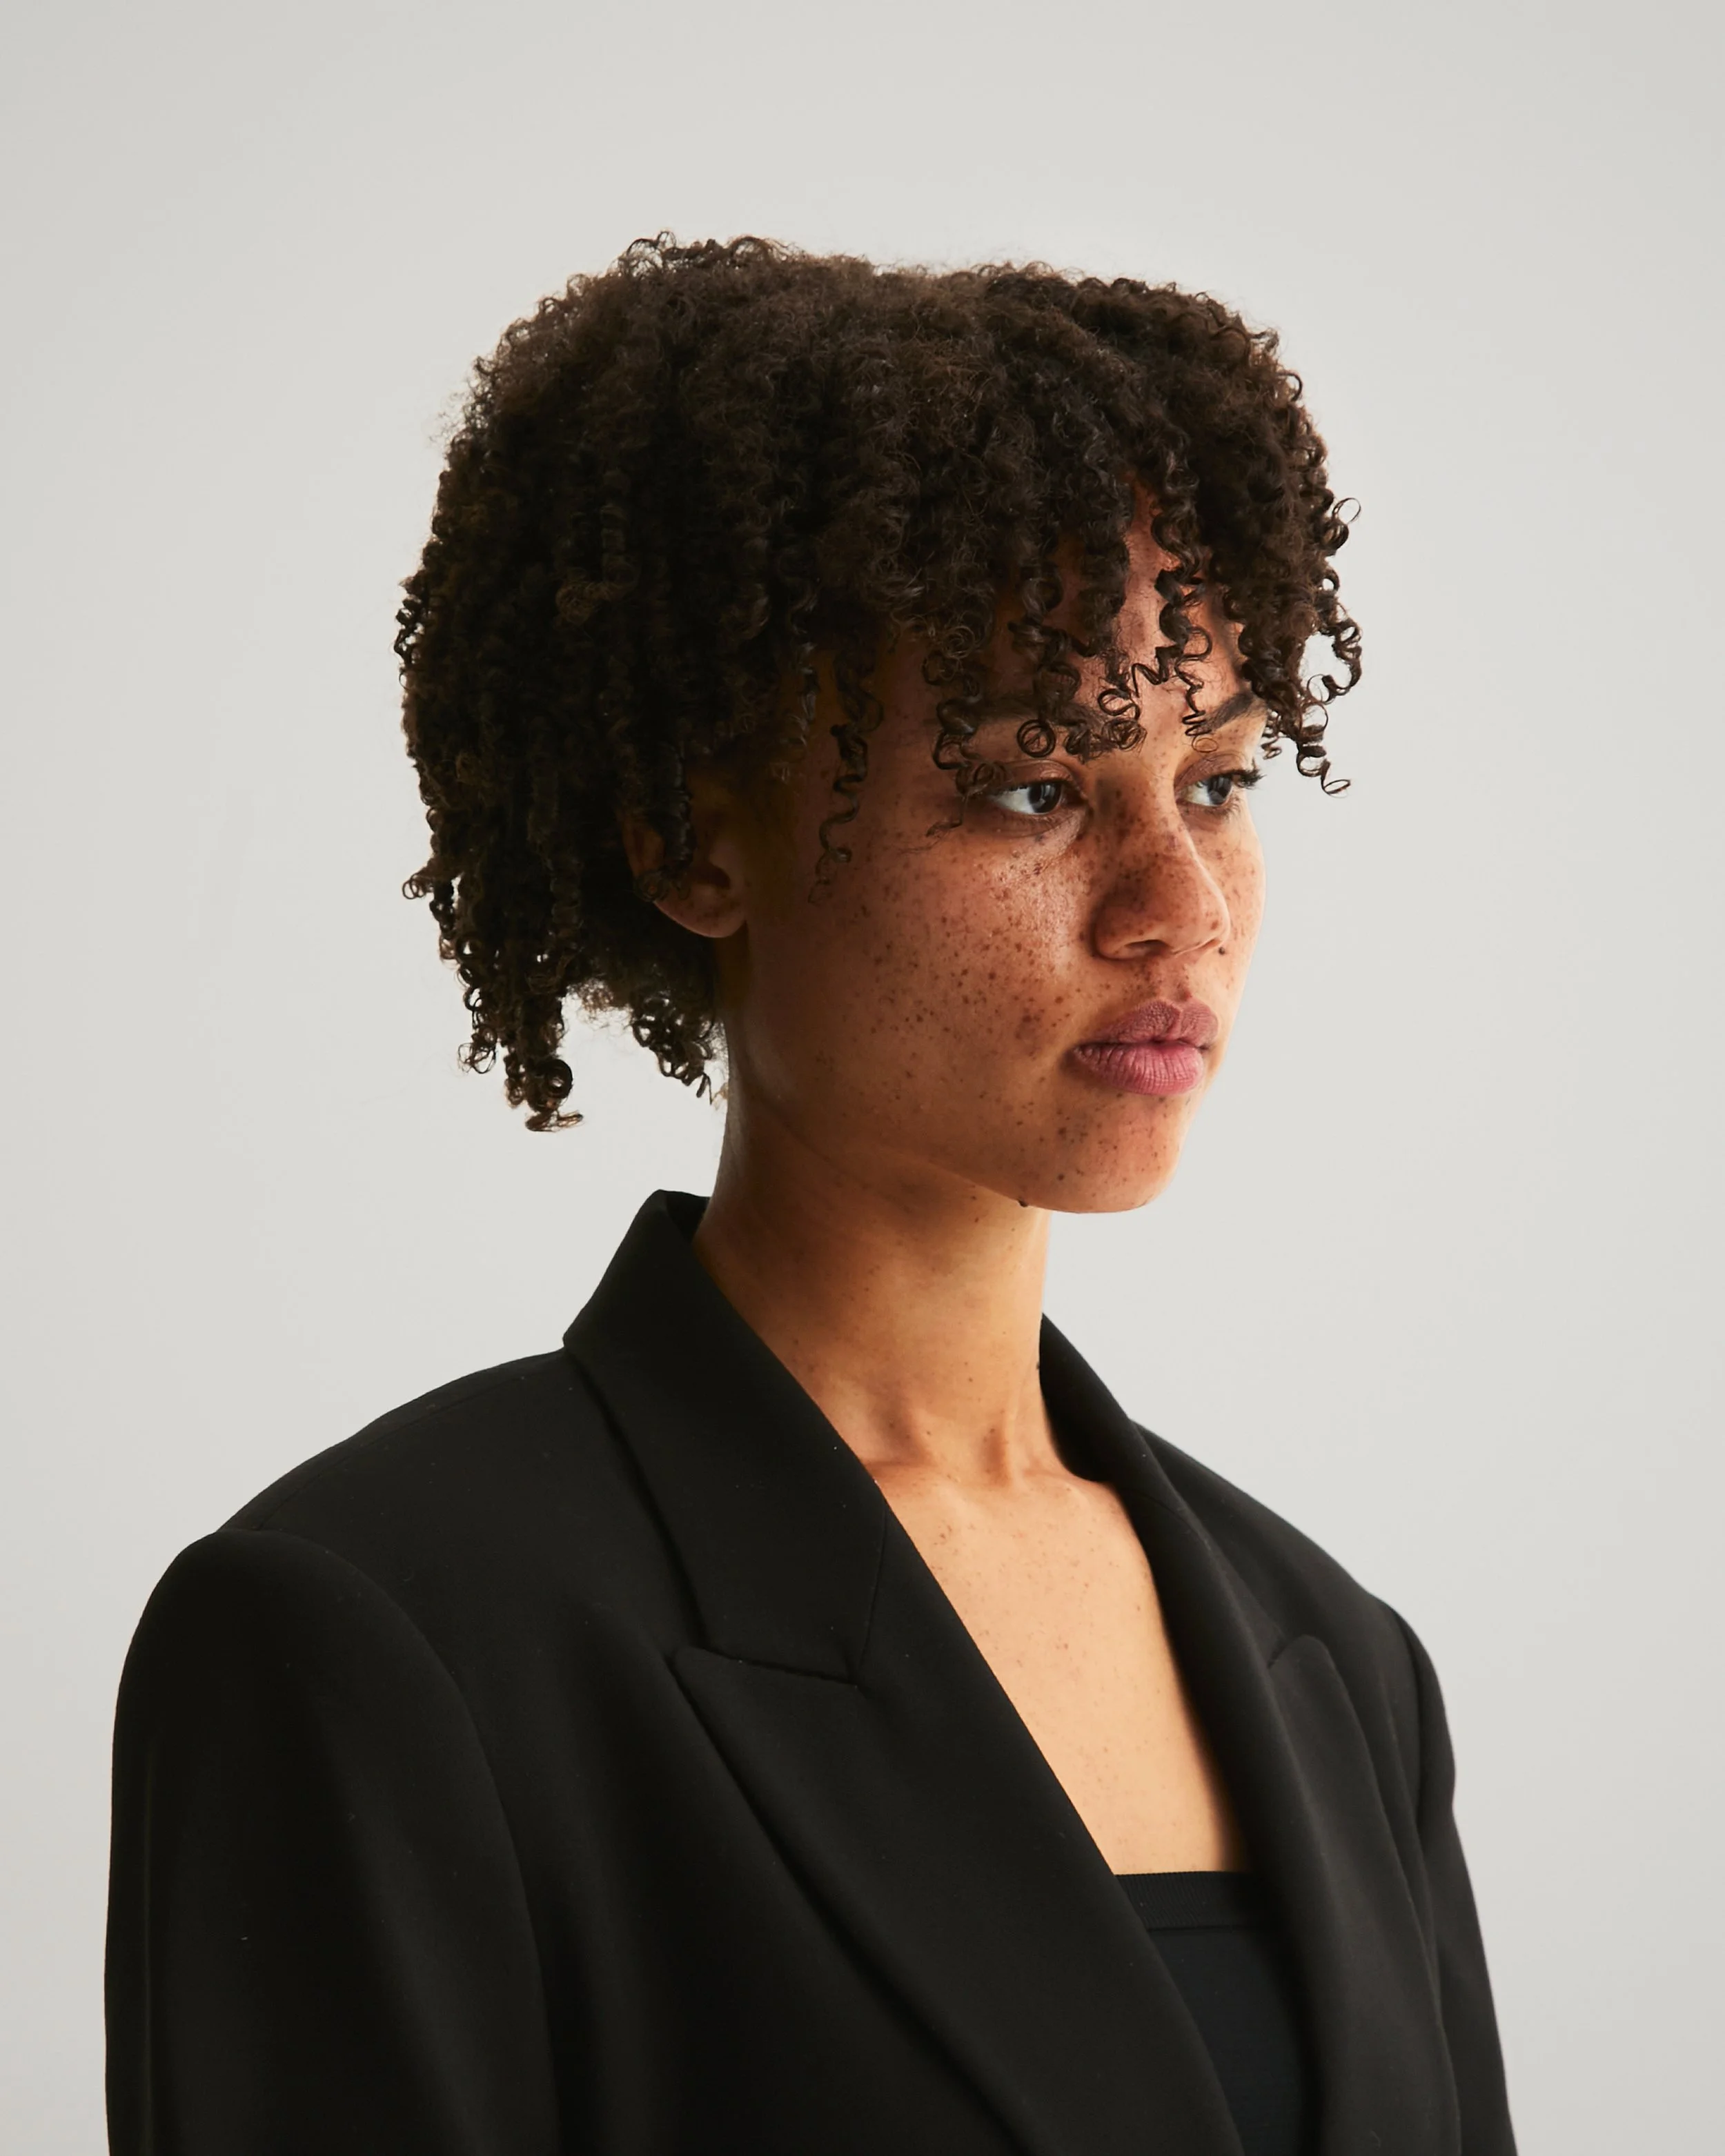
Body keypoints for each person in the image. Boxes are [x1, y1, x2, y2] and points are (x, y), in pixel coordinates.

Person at [105, 235, 1516, 2156]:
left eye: (1219, 776)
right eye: (1033, 785)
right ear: (696, 834)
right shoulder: (383, 1636)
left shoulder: (1339, 1664)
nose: (1173, 905)